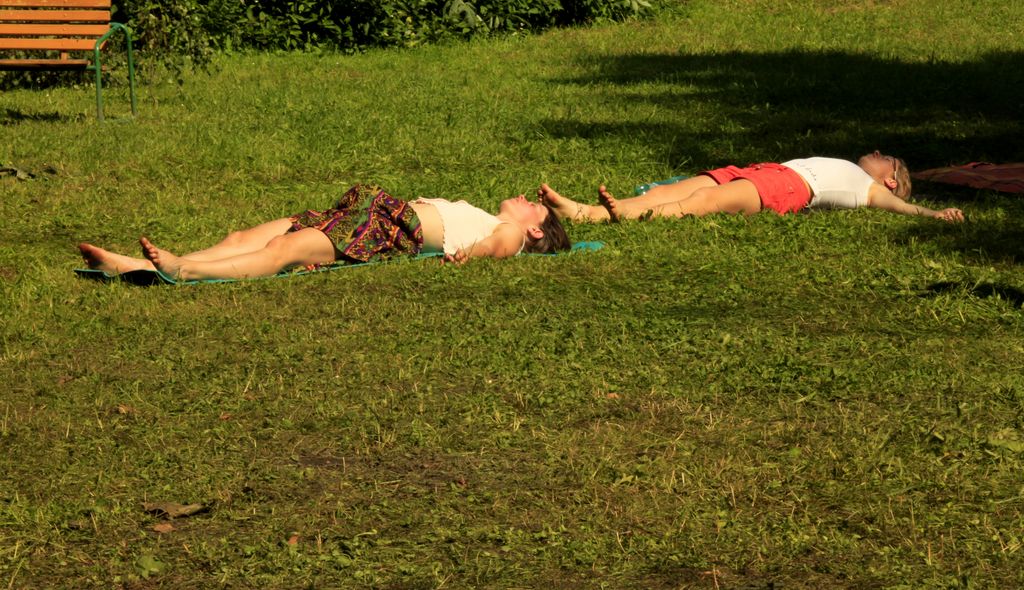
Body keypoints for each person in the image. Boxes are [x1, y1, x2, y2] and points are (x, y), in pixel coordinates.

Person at [78, 183, 571, 280]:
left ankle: (183, 270)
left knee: (285, 248)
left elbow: (499, 245)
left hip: (390, 229)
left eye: (536, 208)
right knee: (241, 237)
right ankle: (137, 265)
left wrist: (477, 254)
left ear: (535, 232)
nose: (527, 201)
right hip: (372, 212)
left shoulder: (505, 230)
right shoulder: (495, 215)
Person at [538, 151, 965, 224]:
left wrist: (933, 213)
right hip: (766, 170)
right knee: (671, 190)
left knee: (704, 201)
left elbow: (902, 209)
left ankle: (627, 214)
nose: (876, 152)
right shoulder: (853, 169)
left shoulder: (873, 190)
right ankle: (584, 212)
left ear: (890, 178)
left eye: (885, 156)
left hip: (790, 187)